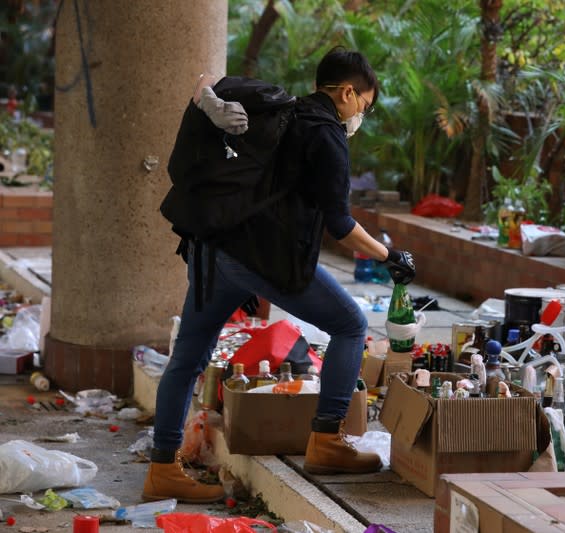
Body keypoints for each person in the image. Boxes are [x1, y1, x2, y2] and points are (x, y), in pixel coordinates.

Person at [143, 48, 416, 503]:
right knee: (351, 325)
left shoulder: (282, 113)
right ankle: (327, 441)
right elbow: (340, 224)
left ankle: (162, 469)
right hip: (262, 260)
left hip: (215, 252)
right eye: (363, 106)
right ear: (347, 93)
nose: (359, 117)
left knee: (188, 358)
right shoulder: (326, 135)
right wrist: (390, 255)